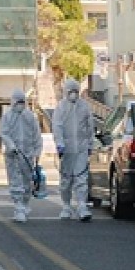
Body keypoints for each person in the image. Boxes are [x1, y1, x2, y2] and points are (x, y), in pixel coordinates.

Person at [53, 79, 95, 222]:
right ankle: (66, 205)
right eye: (71, 92)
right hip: (66, 149)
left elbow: (90, 127)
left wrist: (90, 144)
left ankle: (82, 205)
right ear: (66, 92)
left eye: (75, 92)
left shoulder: (84, 107)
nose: (73, 94)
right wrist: (59, 144)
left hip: (81, 148)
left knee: (81, 178)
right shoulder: (61, 108)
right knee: (66, 179)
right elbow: (57, 126)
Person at [0, 88, 42, 223]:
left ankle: (24, 204)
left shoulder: (30, 117)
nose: (20, 105)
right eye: (18, 102)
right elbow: (4, 133)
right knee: (15, 181)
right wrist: (11, 145)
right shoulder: (7, 117)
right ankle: (18, 207)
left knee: (27, 182)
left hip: (28, 155)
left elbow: (36, 135)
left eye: (22, 102)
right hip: (13, 156)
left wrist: (37, 152)